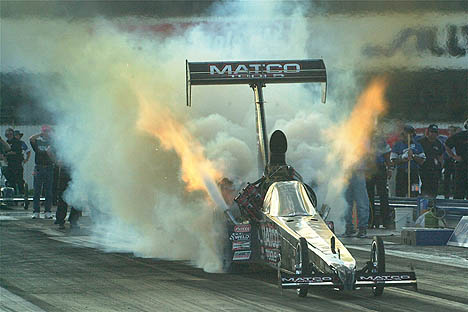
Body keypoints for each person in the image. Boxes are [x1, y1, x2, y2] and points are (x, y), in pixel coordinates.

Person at [391, 125, 426, 198]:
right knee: (400, 193)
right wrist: (402, 158)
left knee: (415, 191)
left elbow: (422, 161)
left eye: (410, 133)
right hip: (402, 173)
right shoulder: (397, 145)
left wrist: (413, 156)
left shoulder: (417, 145)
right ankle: (401, 208)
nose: (408, 136)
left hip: (414, 174)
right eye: (406, 134)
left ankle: (414, 207)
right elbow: (393, 161)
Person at [366, 135, 393, 229]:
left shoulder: (380, 139)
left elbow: (387, 154)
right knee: (369, 195)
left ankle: (386, 220)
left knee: (383, 194)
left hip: (379, 167)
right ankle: (371, 220)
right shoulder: (362, 138)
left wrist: (389, 168)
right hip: (368, 168)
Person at [30, 125, 55, 219]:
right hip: (39, 167)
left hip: (49, 167)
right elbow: (31, 139)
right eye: (45, 132)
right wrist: (41, 134)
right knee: (37, 191)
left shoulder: (52, 142)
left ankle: (47, 211)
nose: (47, 134)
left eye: (48, 132)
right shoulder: (38, 141)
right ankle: (36, 211)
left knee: (48, 191)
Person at [418, 124, 444, 197]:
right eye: (431, 132)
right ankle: (424, 204)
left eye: (435, 132)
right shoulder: (421, 142)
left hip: (435, 170)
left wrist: (441, 168)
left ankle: (433, 204)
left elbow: (441, 156)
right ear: (428, 132)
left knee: (434, 188)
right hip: (424, 169)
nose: (433, 134)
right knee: (424, 187)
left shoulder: (438, 143)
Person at [445, 119, 468, 199]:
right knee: (459, 189)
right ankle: (458, 209)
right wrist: (454, 156)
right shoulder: (460, 136)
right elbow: (447, 145)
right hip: (462, 165)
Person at [344, 168, 370, 238]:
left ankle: (362, 228)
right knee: (346, 203)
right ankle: (349, 227)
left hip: (357, 170)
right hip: (346, 171)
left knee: (360, 202)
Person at [54, 165, 80, 229]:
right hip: (65, 173)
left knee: (77, 198)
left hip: (77, 173)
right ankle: (60, 221)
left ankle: (74, 221)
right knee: (63, 197)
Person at [3, 128, 24, 196]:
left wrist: (7, 153)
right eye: (7, 134)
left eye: (10, 134)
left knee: (19, 181)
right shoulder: (6, 143)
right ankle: (13, 197)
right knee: (11, 181)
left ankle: (22, 196)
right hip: (9, 164)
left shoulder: (17, 142)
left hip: (17, 164)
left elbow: (16, 152)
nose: (8, 135)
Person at [443, 126, 460, 198]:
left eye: (453, 131)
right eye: (450, 131)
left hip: (456, 160)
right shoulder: (445, 139)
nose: (451, 132)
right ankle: (446, 193)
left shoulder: (458, 139)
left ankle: (454, 192)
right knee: (447, 177)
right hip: (448, 160)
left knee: (455, 177)